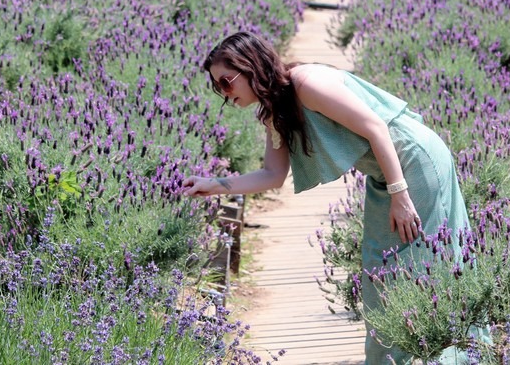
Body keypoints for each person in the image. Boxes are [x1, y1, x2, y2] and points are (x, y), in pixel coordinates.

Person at [183, 31, 490, 364]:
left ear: (250, 66)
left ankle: (459, 356)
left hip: (413, 162)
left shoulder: (307, 84)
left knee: (428, 265)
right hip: (385, 174)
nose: (224, 94)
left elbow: (376, 128)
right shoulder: (276, 109)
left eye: (226, 82)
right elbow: (272, 176)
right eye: (218, 88)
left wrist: (399, 195)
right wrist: (214, 184)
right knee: (381, 268)